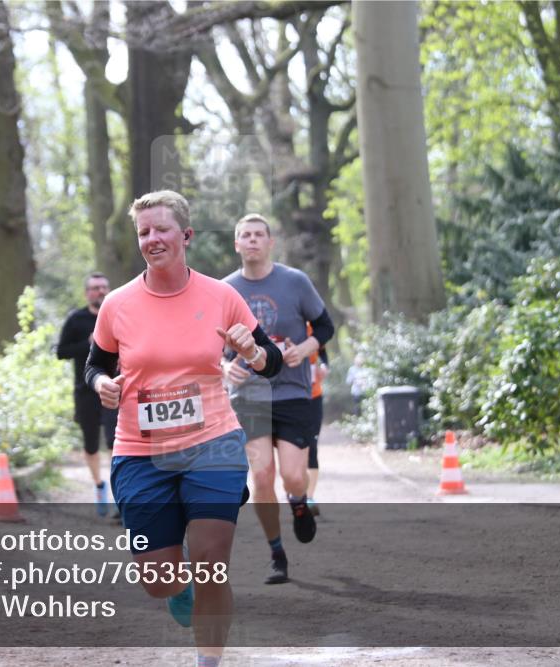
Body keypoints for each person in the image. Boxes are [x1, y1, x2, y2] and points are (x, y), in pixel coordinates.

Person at [85, 191, 282, 667]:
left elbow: (271, 361)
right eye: (144, 232)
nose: (152, 239)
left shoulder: (221, 296)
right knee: (158, 580)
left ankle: (208, 661)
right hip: (140, 453)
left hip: (212, 444)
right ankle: (179, 587)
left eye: (161, 229)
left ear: (186, 235)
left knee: (212, 562)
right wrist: (102, 384)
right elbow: (95, 365)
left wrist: (252, 352)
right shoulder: (117, 304)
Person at [222, 214, 335, 585]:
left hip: (292, 391)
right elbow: (208, 343)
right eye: (245, 235)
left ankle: (299, 503)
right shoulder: (225, 290)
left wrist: (304, 348)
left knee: (293, 476)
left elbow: (325, 326)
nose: (252, 240)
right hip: (249, 394)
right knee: (262, 475)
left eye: (259, 235)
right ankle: (276, 553)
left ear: (271, 243)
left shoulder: (295, 281)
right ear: (237, 244)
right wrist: (224, 367)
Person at [56, 272, 118, 517]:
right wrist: (88, 343)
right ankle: (99, 486)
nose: (100, 291)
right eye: (95, 288)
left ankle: (119, 494)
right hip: (85, 391)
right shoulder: (76, 319)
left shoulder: (115, 314)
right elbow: (61, 351)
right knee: (91, 445)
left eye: (104, 287)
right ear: (87, 293)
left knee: (115, 442)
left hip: (113, 388)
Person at [305, 323, 330, 517]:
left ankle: (309, 497)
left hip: (313, 396)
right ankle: (295, 492)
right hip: (287, 399)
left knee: (312, 446)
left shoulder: (312, 328)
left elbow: (323, 353)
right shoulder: (280, 323)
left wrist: (324, 366)